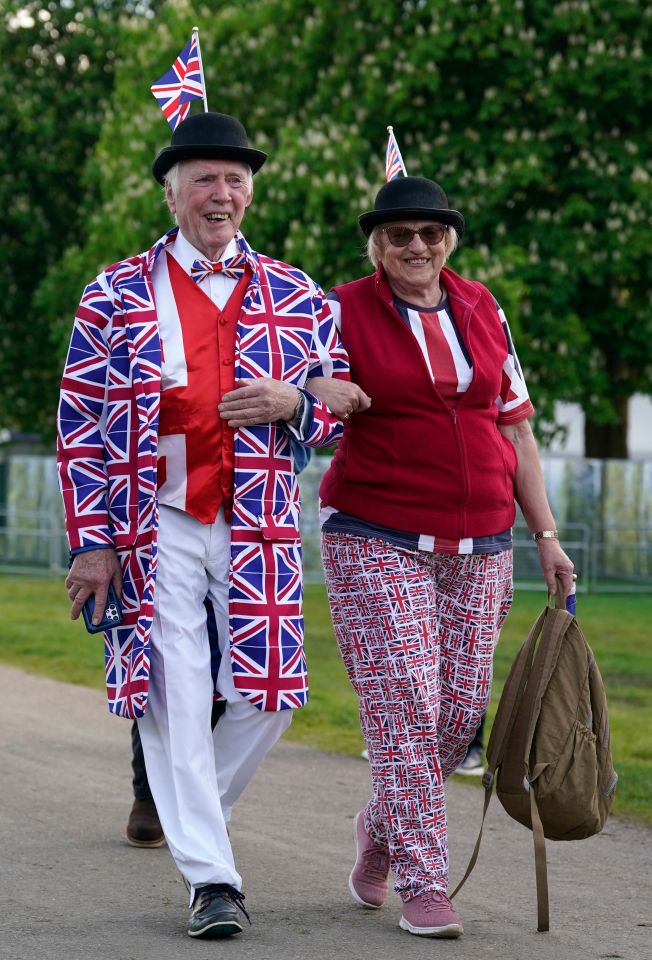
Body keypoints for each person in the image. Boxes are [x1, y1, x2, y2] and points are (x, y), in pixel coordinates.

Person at [58, 111, 367, 940]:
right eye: (203, 179)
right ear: (172, 193)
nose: (220, 193)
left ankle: (194, 822)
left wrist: (297, 400)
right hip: (152, 523)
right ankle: (213, 880)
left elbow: (339, 414)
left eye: (234, 179)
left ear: (250, 192)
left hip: (258, 520)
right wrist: (91, 540)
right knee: (175, 696)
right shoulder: (116, 291)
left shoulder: (299, 296)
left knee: (270, 696)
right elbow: (81, 422)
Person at [313, 175, 575, 939]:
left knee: (457, 719)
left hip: (484, 536)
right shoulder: (340, 307)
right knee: (406, 704)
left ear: (449, 240)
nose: (417, 246)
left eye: (431, 233)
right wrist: (319, 387)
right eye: (400, 235)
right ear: (377, 245)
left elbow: (518, 428)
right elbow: (307, 392)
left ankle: (380, 823)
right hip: (374, 531)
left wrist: (547, 535)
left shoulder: (483, 307)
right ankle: (425, 884)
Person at [125, 445, 313, 849]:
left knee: (262, 682)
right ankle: (151, 794)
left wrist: (304, 399)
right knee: (173, 670)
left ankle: (197, 806)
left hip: (256, 501)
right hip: (174, 498)